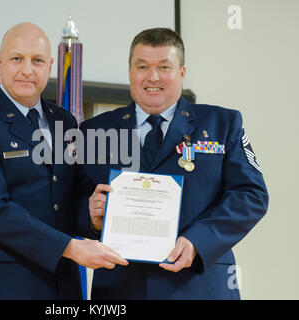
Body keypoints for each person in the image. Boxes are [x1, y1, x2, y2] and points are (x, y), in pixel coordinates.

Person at [78, 27, 269, 299]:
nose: (152, 77)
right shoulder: (95, 131)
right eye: (142, 66)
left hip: (199, 285)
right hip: (121, 290)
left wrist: (198, 241)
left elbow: (251, 195)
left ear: (181, 72)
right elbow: (70, 202)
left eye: (164, 67)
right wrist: (91, 219)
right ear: (130, 71)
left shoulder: (222, 124)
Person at [0, 22, 127, 300]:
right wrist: (71, 248)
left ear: (50, 65)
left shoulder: (63, 121)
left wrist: (92, 216)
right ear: (0, 62)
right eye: (17, 59)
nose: (28, 70)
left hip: (60, 282)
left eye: (38, 61)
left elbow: (67, 199)